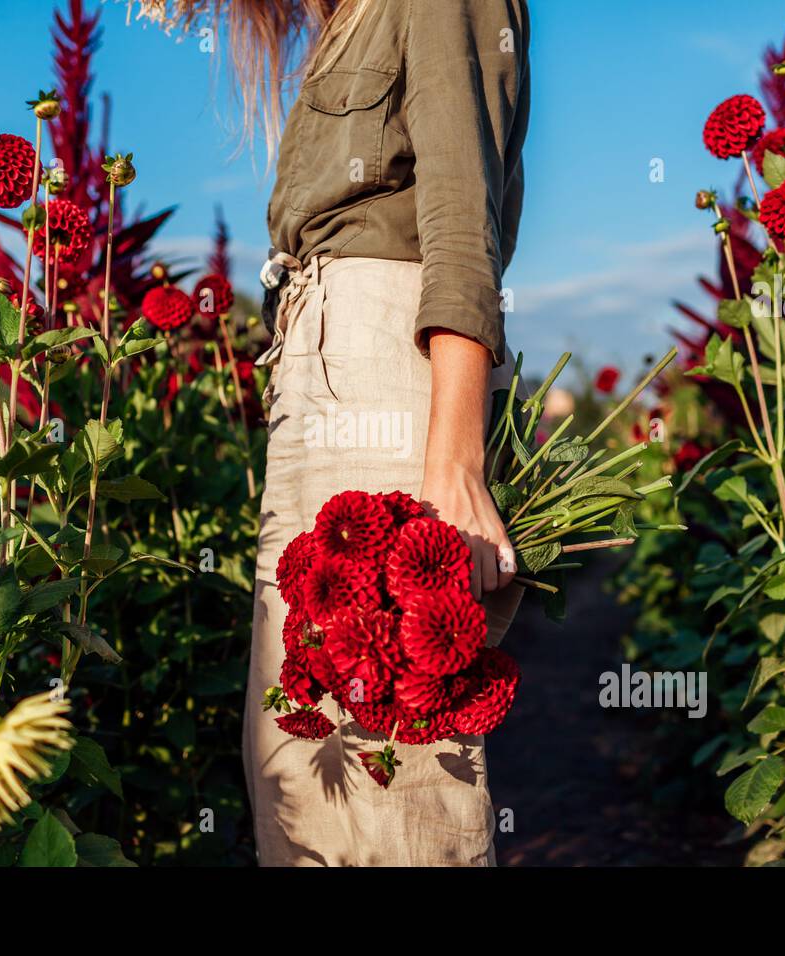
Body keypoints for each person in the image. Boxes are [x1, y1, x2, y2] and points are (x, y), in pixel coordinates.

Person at [167, 0, 530, 865]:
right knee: (294, 762)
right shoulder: (342, 19)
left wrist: (455, 458)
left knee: (392, 779)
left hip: (384, 354)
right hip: (312, 362)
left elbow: (459, 216)